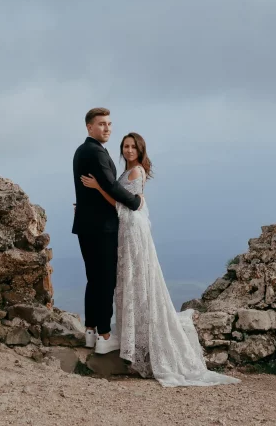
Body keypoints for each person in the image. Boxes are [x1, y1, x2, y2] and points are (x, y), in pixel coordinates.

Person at [81, 131, 240, 387]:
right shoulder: (129, 171)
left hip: (131, 227)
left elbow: (123, 203)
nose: (129, 150)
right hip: (127, 226)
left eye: (133, 147)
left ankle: (135, 337)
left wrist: (99, 187)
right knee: (127, 277)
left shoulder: (136, 172)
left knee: (134, 275)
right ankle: (127, 334)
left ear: (141, 150)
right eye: (125, 146)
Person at [72, 107, 143, 354]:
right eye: (102, 124)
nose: (107, 128)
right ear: (89, 127)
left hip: (86, 224)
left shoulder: (82, 151)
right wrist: (135, 202)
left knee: (94, 279)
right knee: (105, 281)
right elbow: (110, 185)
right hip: (102, 227)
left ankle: (90, 331)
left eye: (109, 124)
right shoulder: (95, 152)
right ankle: (104, 335)